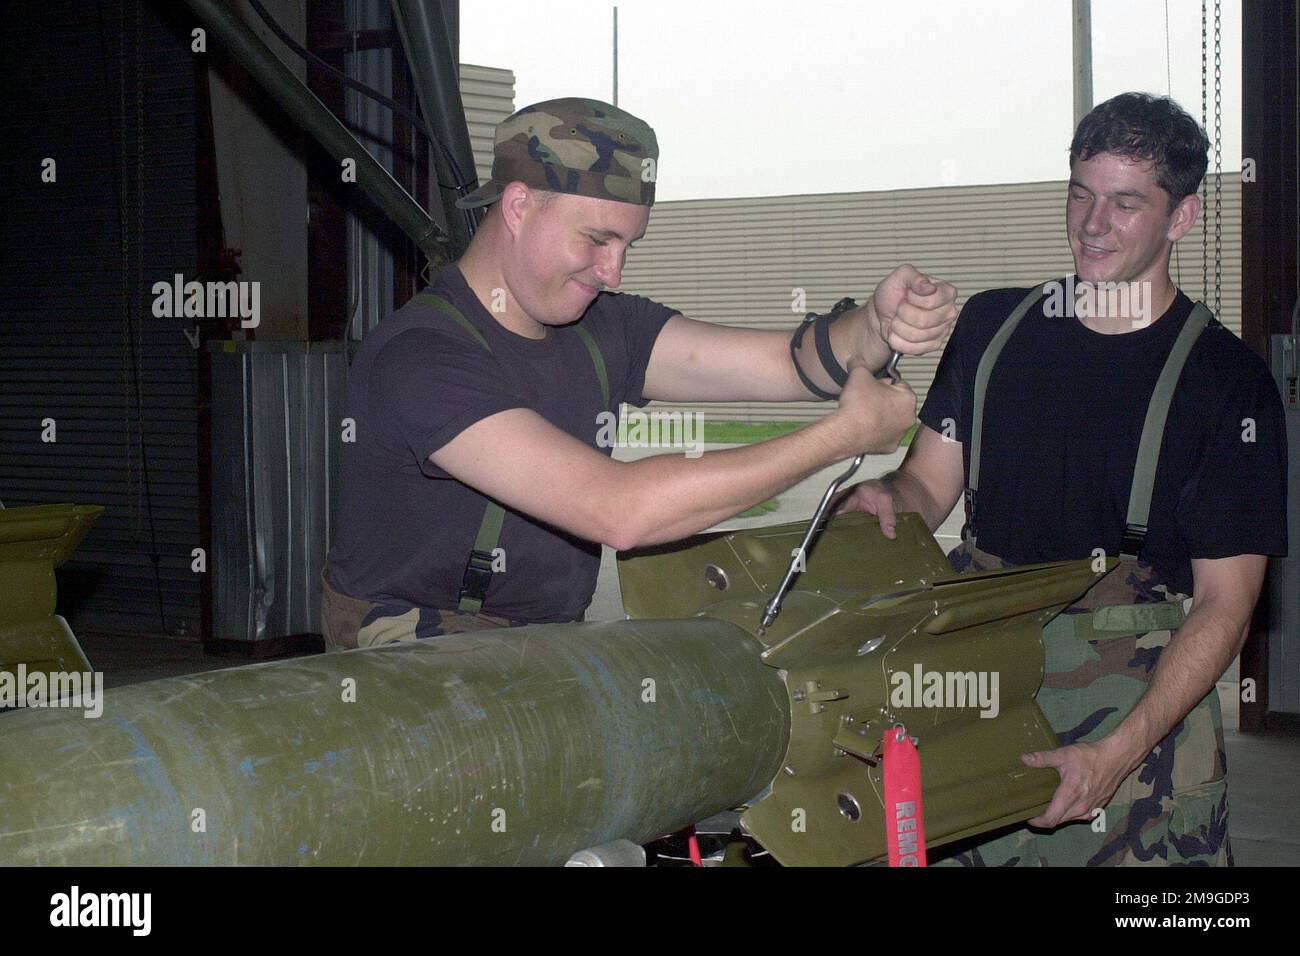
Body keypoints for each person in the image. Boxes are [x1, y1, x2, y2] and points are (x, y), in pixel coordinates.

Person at [320, 97, 958, 648]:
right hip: (404, 650)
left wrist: (875, 326)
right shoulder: (421, 356)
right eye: (597, 240)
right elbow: (618, 511)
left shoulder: (605, 329)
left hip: (538, 644)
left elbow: (791, 362)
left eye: (629, 245)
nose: (614, 272)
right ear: (517, 206)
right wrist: (843, 438)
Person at [837, 92, 1287, 866]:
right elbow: (927, 487)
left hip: (1136, 728)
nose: (1092, 223)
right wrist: (887, 499)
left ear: (1181, 217)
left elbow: (1226, 607)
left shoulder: (1226, 385)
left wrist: (1116, 755)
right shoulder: (993, 328)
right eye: (1080, 193)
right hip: (978, 693)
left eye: (1123, 202)